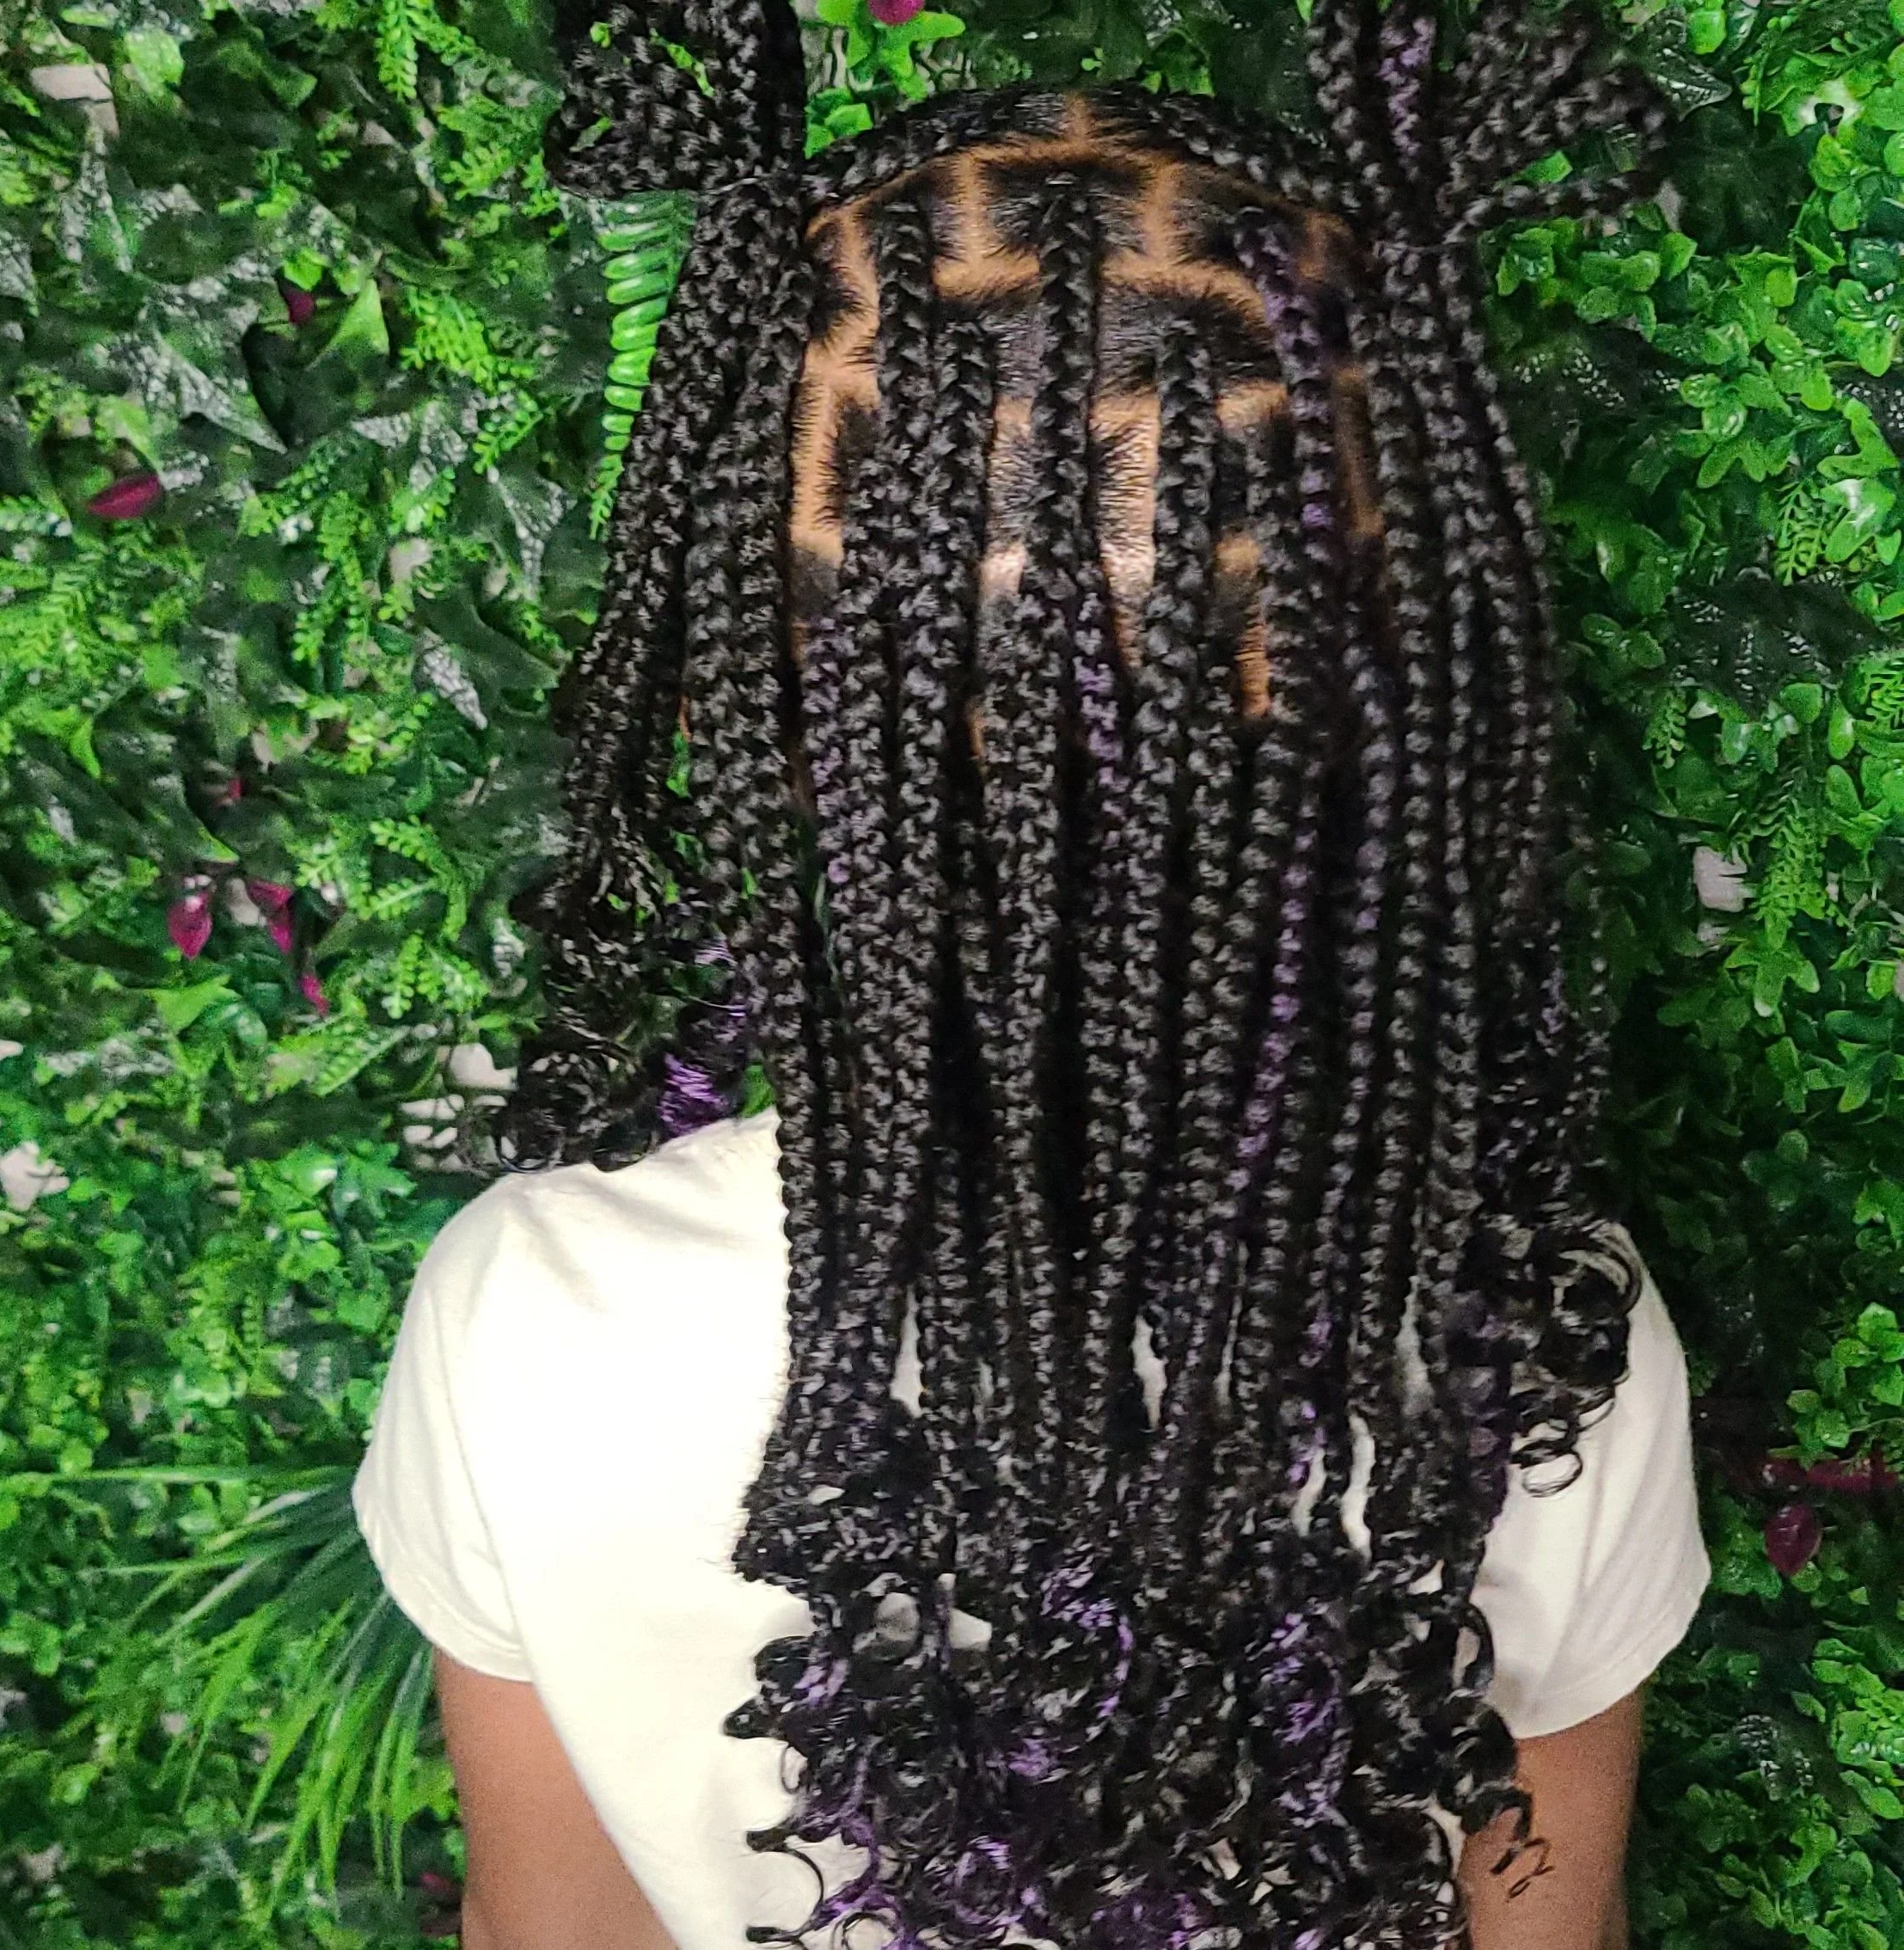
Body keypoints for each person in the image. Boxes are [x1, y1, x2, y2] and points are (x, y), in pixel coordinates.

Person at [352, 3, 1711, 1947]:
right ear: (1381, 706)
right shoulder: (1538, 1353)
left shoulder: (535, 1318)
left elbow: (545, 1932)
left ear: (779, 685)